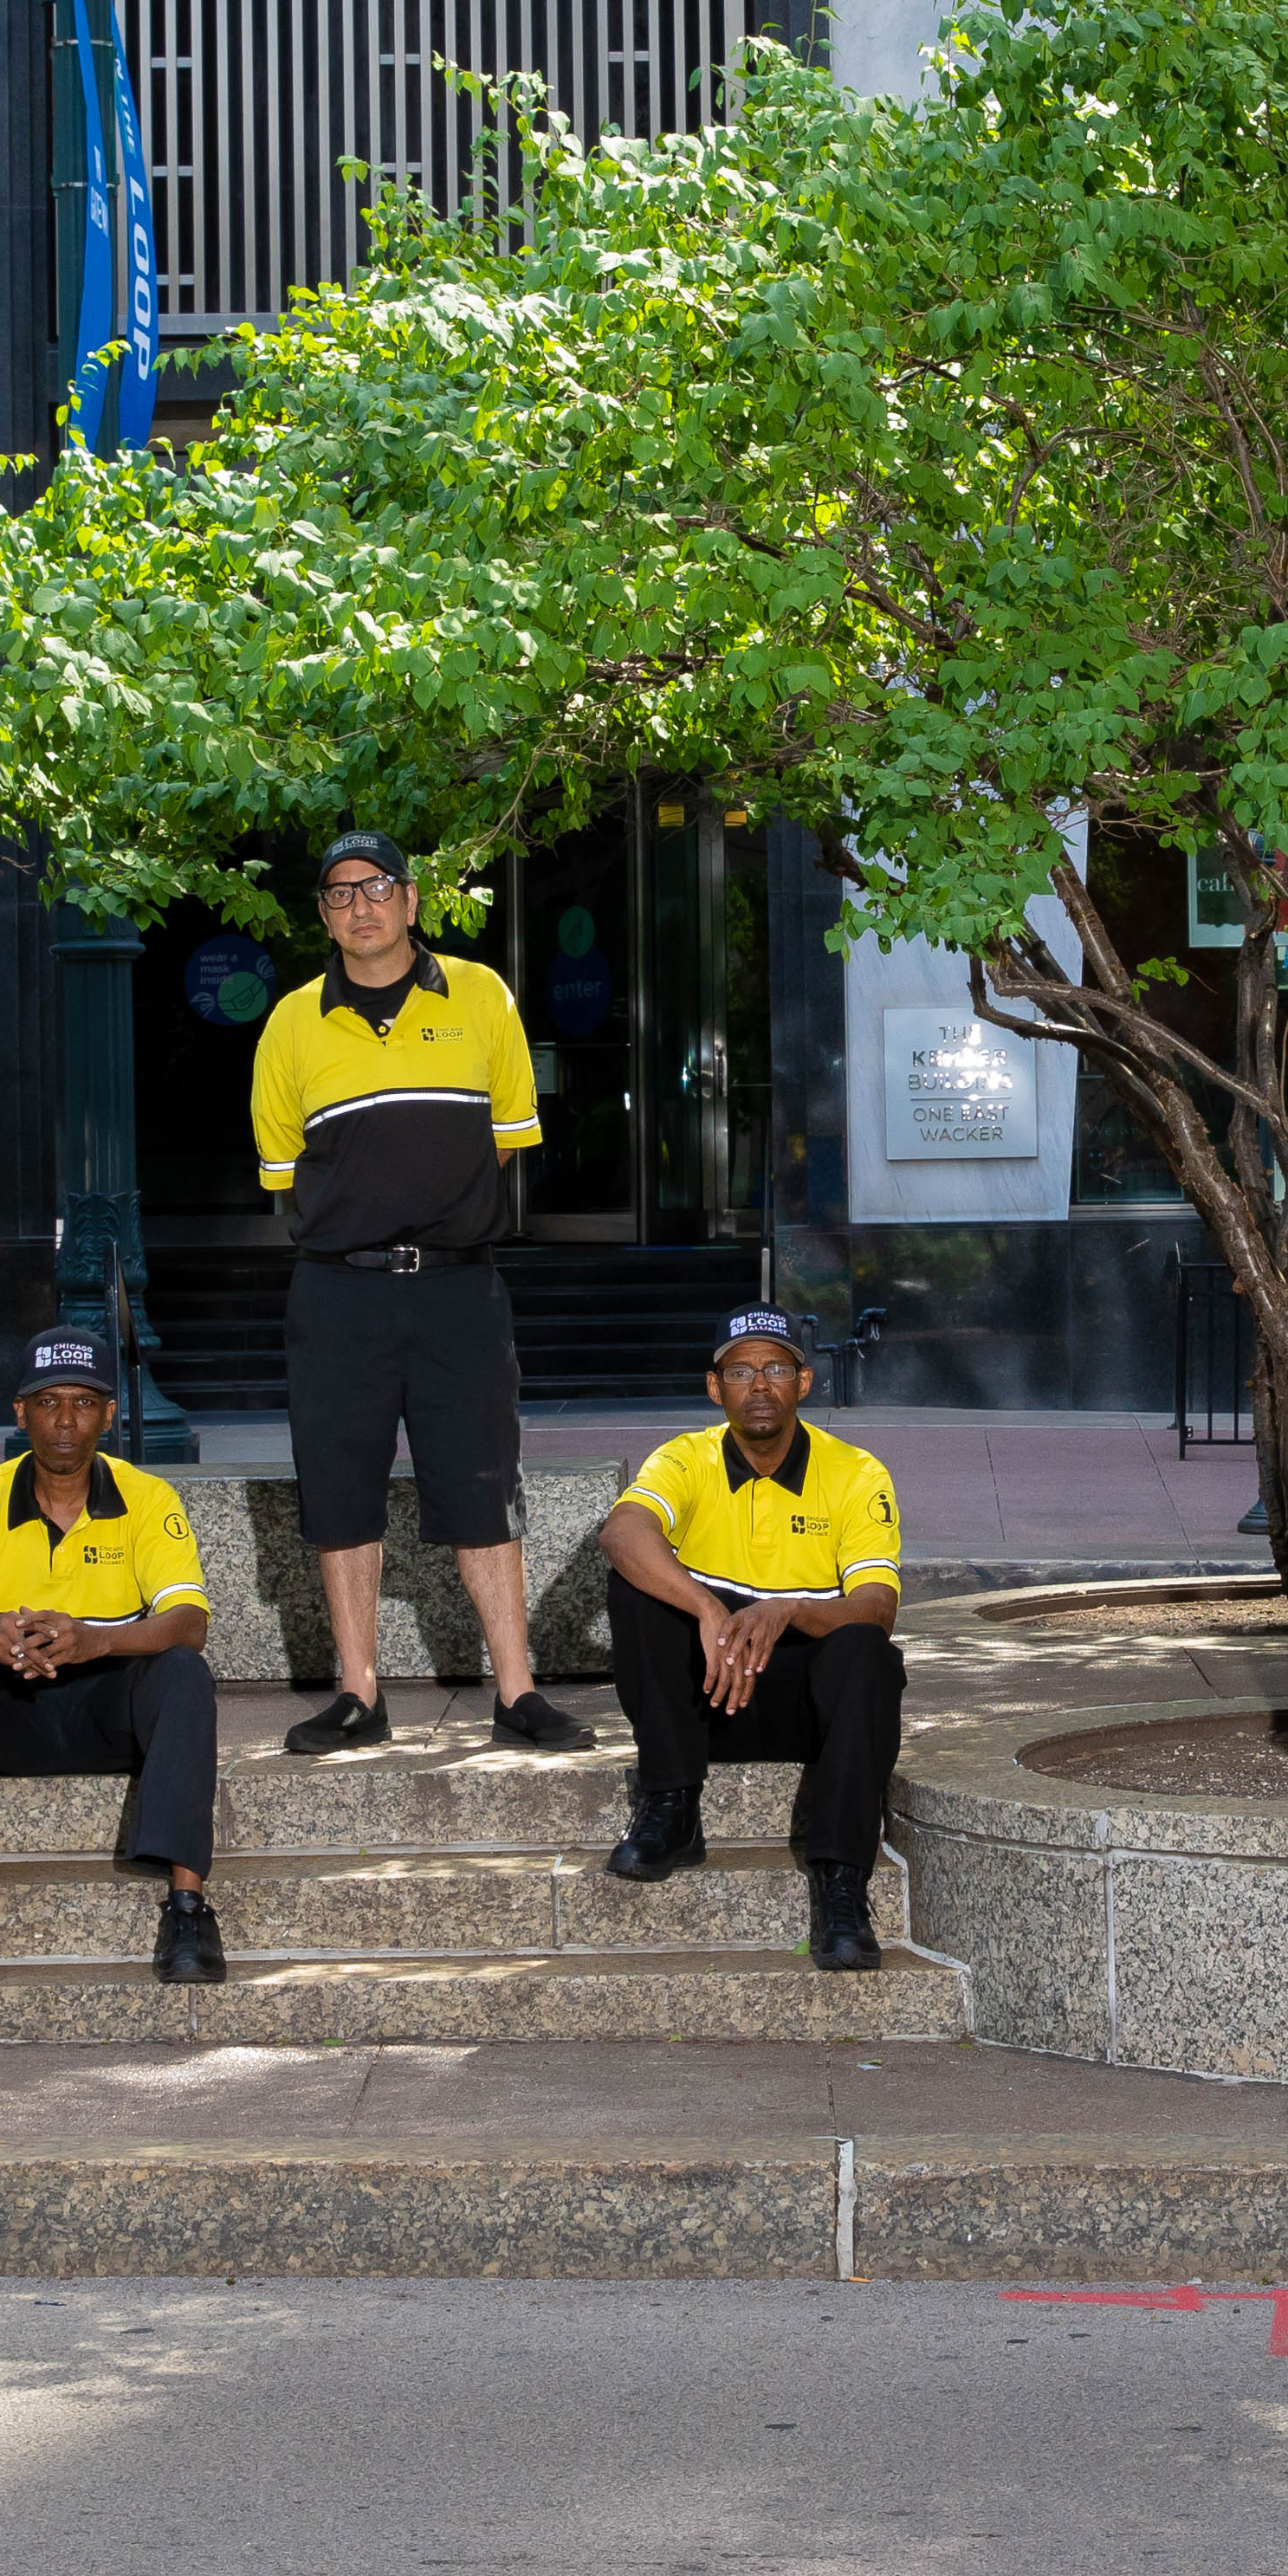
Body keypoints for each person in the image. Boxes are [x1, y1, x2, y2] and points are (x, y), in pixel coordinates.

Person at [249, 831, 584, 1757]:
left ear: (410, 899)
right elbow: (285, 1168)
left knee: (484, 1485)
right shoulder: (291, 1023)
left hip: (459, 1290)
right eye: (339, 894)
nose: (360, 906)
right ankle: (359, 1693)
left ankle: (517, 1690)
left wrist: (434, 1214)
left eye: (377, 887)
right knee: (340, 1493)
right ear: (325, 916)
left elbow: (508, 1136)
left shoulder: (482, 995)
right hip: (337, 1294)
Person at [0, 1327, 225, 1991]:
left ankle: (189, 1910)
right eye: (48, 1402)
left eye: (84, 1403)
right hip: (10, 1717)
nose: (66, 1421)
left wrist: (95, 1640)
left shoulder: (148, 1497)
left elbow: (189, 1622)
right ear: (20, 1413)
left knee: (183, 1673)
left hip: (111, 1718)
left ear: (109, 1414)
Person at [596, 1307, 908, 1973]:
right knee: (637, 1587)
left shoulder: (856, 1473)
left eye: (775, 1369)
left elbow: (878, 1607)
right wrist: (707, 1609)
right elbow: (621, 1534)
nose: (759, 1385)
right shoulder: (685, 1457)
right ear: (716, 1388)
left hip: (808, 1712)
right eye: (740, 1371)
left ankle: (843, 1885)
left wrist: (788, 1610)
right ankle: (673, 1807)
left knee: (868, 1652)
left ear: (804, 1382)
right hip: (704, 1703)